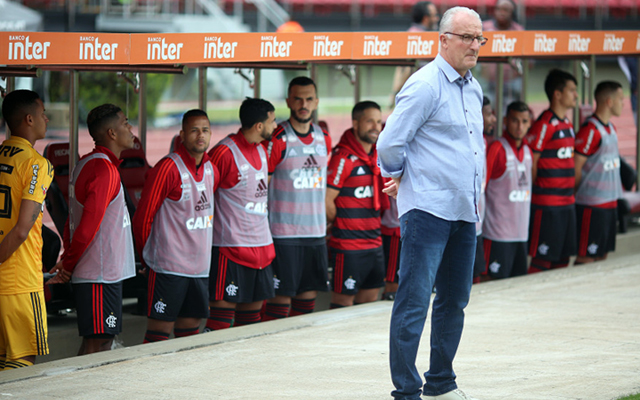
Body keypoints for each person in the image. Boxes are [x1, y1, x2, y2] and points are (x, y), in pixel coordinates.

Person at [377, 7, 485, 400]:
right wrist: (402, 175)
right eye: (467, 38)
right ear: (443, 40)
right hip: (427, 211)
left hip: (464, 210)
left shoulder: (473, 87)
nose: (475, 45)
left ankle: (441, 383)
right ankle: (406, 391)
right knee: (414, 302)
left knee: (454, 302)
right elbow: (389, 143)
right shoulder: (424, 85)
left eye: (480, 39)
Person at [47, 104, 136, 354]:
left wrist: (68, 260)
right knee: (98, 342)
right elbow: (86, 228)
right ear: (112, 133)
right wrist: (68, 264)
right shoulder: (104, 170)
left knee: (100, 340)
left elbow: (70, 221)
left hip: (101, 272)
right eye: (126, 123)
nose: (131, 128)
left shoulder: (88, 164)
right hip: (99, 273)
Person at [133, 109, 218, 343]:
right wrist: (145, 257)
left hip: (199, 269)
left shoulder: (212, 169)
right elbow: (143, 217)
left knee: (190, 333)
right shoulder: (168, 168)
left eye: (205, 130)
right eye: (193, 130)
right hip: (169, 269)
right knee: (159, 333)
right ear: (182, 134)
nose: (200, 135)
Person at [262, 77, 331, 320]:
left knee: (307, 302)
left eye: (309, 98)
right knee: (279, 302)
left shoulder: (324, 137)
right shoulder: (278, 138)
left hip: (315, 233)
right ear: (289, 101)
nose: (304, 104)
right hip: (284, 235)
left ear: (316, 101)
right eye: (298, 99)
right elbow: (262, 186)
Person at [205, 98, 277, 331]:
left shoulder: (263, 150)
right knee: (220, 323)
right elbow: (204, 195)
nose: (275, 126)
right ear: (259, 126)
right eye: (272, 121)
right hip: (231, 249)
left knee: (251, 324)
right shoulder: (224, 153)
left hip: (262, 250)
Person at [0, 90, 53, 370]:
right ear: (29, 119)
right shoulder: (36, 163)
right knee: (21, 365)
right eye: (43, 113)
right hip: (20, 280)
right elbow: (22, 230)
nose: (47, 118)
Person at [326, 101, 386, 308]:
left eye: (378, 122)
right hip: (349, 247)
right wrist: (344, 224)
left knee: (369, 305)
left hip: (374, 243)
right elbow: (327, 200)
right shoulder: (343, 157)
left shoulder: (378, 156)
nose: (375, 127)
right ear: (355, 123)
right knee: (342, 305)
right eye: (369, 121)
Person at [526, 69, 578, 273]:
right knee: (542, 260)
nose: (576, 95)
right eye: (572, 90)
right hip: (548, 206)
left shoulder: (567, 123)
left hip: (567, 203)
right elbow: (532, 162)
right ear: (557, 94)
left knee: (562, 259)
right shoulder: (545, 124)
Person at [574, 81, 625, 264]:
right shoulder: (591, 130)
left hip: (610, 203)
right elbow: (576, 166)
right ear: (609, 102)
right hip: (592, 205)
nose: (623, 103)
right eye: (620, 99)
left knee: (602, 254)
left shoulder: (611, 128)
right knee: (587, 256)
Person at [482, 101, 532, 280]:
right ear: (505, 121)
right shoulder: (497, 149)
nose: (520, 127)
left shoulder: (528, 151)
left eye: (524, 122)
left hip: (521, 235)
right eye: (515, 121)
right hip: (497, 236)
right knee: (492, 283)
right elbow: (481, 187)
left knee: (517, 287)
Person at [389, 1, 440, 108]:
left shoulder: (419, 34)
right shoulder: (414, 36)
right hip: (417, 95)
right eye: (434, 15)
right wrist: (395, 93)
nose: (437, 18)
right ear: (426, 18)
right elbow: (404, 69)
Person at [481, 0, 524, 106]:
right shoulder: (485, 28)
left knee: (513, 108)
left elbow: (528, 61)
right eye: (498, 9)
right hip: (487, 81)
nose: (501, 12)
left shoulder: (519, 31)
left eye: (506, 10)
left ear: (513, 13)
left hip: (511, 82)